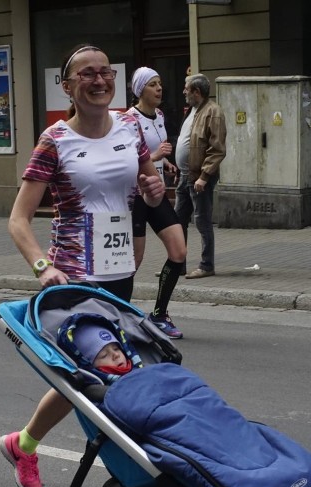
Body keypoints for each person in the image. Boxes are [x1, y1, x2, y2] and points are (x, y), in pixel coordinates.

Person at [2, 44, 165, 487]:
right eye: (86, 74)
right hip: (74, 276)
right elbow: (18, 219)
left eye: (105, 73)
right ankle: (127, 471)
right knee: (105, 375)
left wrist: (154, 190)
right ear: (68, 86)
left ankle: (24, 444)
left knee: (94, 376)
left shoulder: (131, 127)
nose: (98, 80)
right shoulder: (55, 141)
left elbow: (149, 189)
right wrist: (43, 267)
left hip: (119, 272)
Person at [126, 67, 187, 339]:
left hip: (158, 193)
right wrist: (155, 154)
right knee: (133, 261)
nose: (159, 88)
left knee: (179, 251)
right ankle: (113, 311)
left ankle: (159, 314)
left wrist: (166, 162)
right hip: (137, 195)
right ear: (140, 90)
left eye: (160, 83)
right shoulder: (128, 120)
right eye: (152, 84)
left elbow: (156, 156)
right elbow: (129, 160)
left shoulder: (159, 116)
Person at [174, 73, 227, 279]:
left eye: (187, 88)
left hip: (198, 177)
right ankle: (178, 265)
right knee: (178, 221)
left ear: (196, 92)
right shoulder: (193, 110)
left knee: (203, 222)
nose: (184, 92)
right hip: (185, 175)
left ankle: (207, 265)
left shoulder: (213, 112)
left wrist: (204, 176)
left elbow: (217, 149)